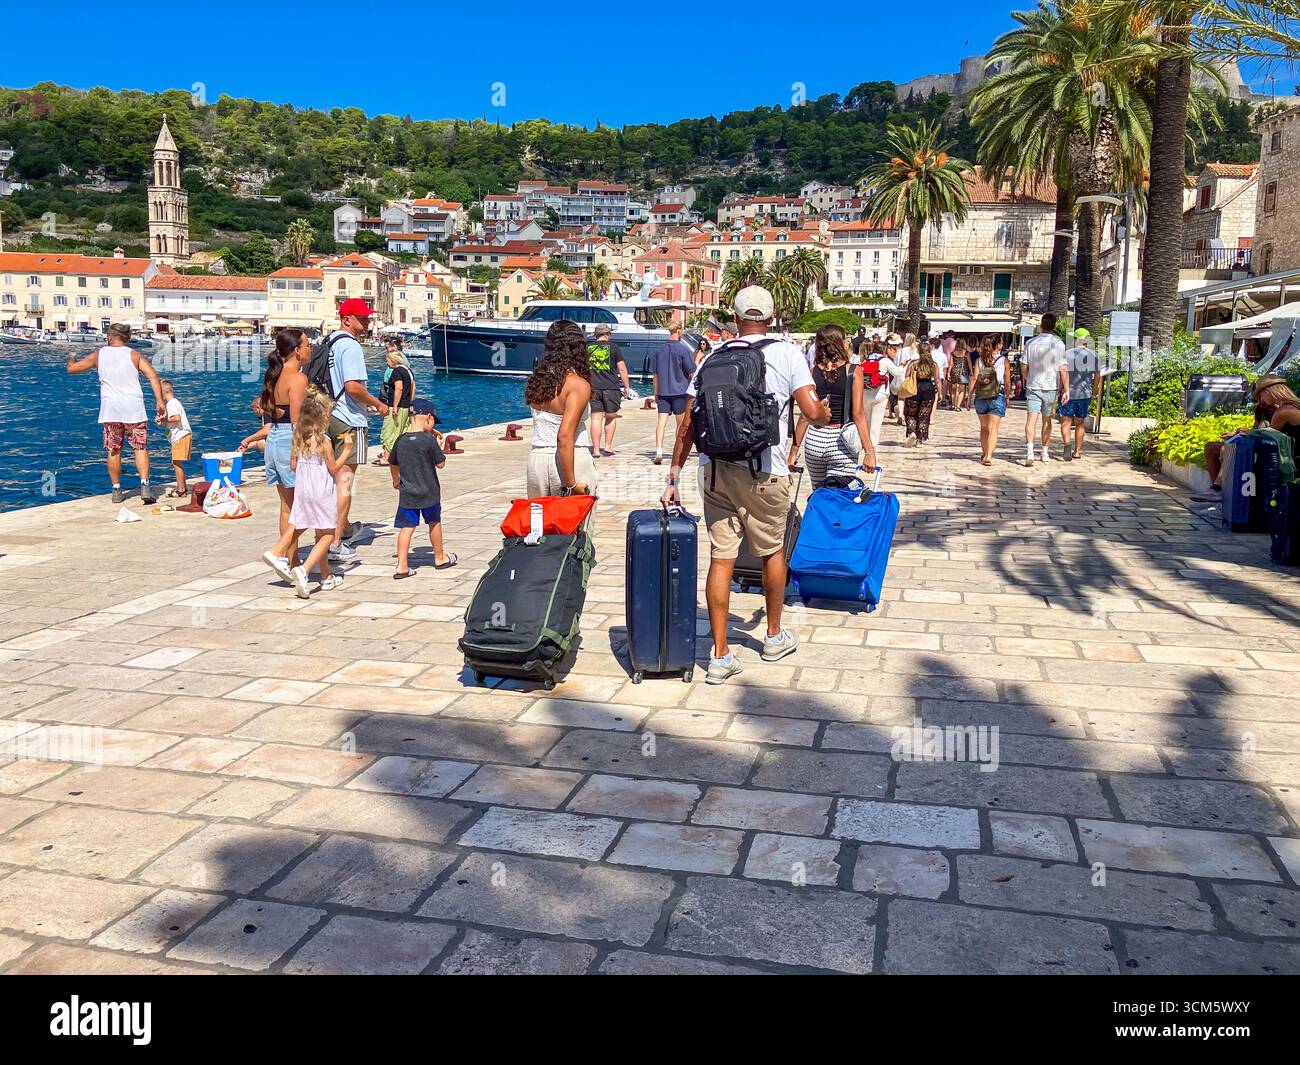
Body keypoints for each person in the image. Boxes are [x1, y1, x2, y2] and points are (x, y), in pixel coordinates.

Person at [660, 285, 830, 685]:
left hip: (716, 469)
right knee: (772, 551)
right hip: (766, 469)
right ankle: (773, 636)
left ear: (735, 318)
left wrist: (672, 476)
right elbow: (811, 411)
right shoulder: (787, 353)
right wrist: (821, 412)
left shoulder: (713, 357)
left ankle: (719, 656)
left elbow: (687, 424)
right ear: (771, 318)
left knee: (722, 558)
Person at [65, 323, 165, 505]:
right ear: (126, 338)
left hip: (110, 411)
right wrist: (159, 401)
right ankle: (145, 486)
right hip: (134, 409)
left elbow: (72, 369)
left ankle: (117, 490)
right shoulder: (134, 355)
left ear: (110, 337)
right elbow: (152, 376)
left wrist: (70, 358)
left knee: (114, 449)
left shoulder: (99, 354)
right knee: (140, 448)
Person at [267, 387, 352, 598]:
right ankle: (303, 570)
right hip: (321, 491)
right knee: (329, 534)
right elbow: (333, 468)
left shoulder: (299, 437)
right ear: (322, 417)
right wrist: (348, 450)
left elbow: (294, 466)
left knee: (310, 527)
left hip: (303, 489)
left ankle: (325, 577)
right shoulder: (324, 441)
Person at [325, 298, 391, 563]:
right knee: (345, 482)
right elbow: (353, 387)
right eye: (362, 318)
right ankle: (336, 543)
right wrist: (378, 404)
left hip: (328, 415)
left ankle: (343, 527)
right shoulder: (350, 346)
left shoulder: (330, 343)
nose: (366, 322)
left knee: (332, 480)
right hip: (349, 419)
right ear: (346, 319)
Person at [243, 329, 312, 578]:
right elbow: (298, 421)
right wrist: (298, 453)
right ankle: (281, 553)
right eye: (306, 344)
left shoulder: (274, 375)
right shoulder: (298, 379)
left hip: (274, 439)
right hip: (289, 442)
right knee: (307, 506)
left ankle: (292, 562)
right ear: (296, 350)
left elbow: (273, 413)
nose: (310, 347)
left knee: (287, 506)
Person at [1192, 376, 1300, 501]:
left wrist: (1247, 433)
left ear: (1269, 392)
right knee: (1217, 447)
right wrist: (1255, 424)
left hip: (1288, 458)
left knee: (1229, 450)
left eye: (1260, 396)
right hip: (1285, 453)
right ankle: (1219, 491)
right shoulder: (1292, 406)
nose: (1260, 401)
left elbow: (1268, 437)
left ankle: (1219, 491)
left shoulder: (1283, 411)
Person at [524, 320, 596, 499]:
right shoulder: (577, 385)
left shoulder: (538, 380)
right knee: (578, 524)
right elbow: (564, 436)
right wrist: (570, 484)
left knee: (540, 524)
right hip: (570, 461)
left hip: (537, 460)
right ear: (578, 347)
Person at [798, 325, 873, 488]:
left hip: (815, 440)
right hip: (841, 441)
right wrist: (869, 451)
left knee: (818, 495)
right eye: (845, 338)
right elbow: (858, 413)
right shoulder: (853, 371)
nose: (848, 341)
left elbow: (805, 414)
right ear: (838, 343)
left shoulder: (813, 371)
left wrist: (794, 450)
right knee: (841, 498)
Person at [390, 398, 456, 578]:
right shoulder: (429, 440)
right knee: (434, 523)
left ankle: (401, 566)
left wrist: (396, 479)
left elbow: (393, 463)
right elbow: (440, 464)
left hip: (408, 493)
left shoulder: (401, 440)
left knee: (407, 527)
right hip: (429, 492)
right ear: (428, 417)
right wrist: (440, 447)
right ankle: (440, 557)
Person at [1021, 313, 1068, 466]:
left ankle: (1029, 451)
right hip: (1051, 387)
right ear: (1054, 326)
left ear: (1041, 326)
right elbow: (1063, 369)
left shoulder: (1031, 343)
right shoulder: (1059, 344)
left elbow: (1023, 366)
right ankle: (1045, 452)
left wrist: (1028, 378)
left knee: (1031, 420)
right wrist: (1066, 389)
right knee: (1047, 420)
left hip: (1034, 385)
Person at [651, 323, 697, 465]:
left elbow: (655, 375)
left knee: (661, 422)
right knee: (681, 423)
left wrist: (656, 393)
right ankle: (678, 450)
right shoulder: (683, 350)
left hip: (663, 391)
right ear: (679, 331)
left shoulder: (659, 350)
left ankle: (659, 449)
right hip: (680, 392)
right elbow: (691, 372)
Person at [586, 323, 633, 459]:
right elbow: (622, 368)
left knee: (596, 418)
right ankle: (607, 446)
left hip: (593, 388)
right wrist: (626, 386)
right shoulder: (614, 348)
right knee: (611, 417)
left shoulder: (588, 348)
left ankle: (595, 450)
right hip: (611, 387)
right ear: (606, 334)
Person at [858, 337, 910, 453]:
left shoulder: (865, 360)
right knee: (876, 421)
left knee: (866, 420)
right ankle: (872, 445)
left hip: (866, 392)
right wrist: (903, 365)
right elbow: (896, 373)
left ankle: (864, 442)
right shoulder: (885, 361)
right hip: (881, 393)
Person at [1059, 328, 1101, 460]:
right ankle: (1077, 452)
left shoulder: (1068, 354)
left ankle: (1067, 445)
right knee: (1080, 423)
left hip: (1069, 393)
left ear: (1077, 339)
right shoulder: (1094, 355)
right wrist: (1093, 390)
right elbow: (1097, 376)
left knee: (1066, 421)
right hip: (1085, 394)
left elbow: (1063, 373)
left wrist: (1060, 389)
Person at [972, 337, 1013, 465]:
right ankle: (989, 456)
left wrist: (969, 397)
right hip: (997, 395)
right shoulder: (1004, 361)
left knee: (984, 428)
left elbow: (974, 379)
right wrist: (1007, 396)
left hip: (981, 396)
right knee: (993, 428)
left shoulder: (979, 360)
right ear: (998, 345)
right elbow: (1007, 382)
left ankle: (985, 453)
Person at [377, 338, 414, 465]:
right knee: (401, 431)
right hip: (406, 405)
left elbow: (398, 388)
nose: (386, 363)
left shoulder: (397, 371)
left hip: (396, 405)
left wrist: (395, 406)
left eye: (387, 360)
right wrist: (410, 402)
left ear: (393, 360)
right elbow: (413, 387)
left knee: (389, 432)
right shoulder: (408, 371)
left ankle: (387, 457)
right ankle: (397, 456)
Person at [903, 340, 940, 447]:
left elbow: (907, 376)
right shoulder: (933, 364)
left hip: (914, 388)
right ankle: (920, 439)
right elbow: (937, 379)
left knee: (910, 413)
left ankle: (912, 432)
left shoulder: (914, 363)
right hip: (928, 389)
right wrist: (940, 392)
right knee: (924, 415)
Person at [159, 380, 192, 497]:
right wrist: (164, 420)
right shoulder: (175, 402)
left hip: (180, 436)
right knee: (177, 462)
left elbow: (176, 418)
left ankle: (182, 489)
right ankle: (183, 488)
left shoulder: (171, 404)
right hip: (181, 435)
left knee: (176, 463)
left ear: (163, 392)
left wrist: (164, 420)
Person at [948, 336, 973, 413]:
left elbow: (951, 364)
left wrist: (948, 373)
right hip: (963, 372)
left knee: (953, 389)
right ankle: (957, 406)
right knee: (962, 390)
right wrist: (971, 371)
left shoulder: (953, 353)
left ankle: (952, 404)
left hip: (954, 371)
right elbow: (969, 363)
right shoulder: (966, 353)